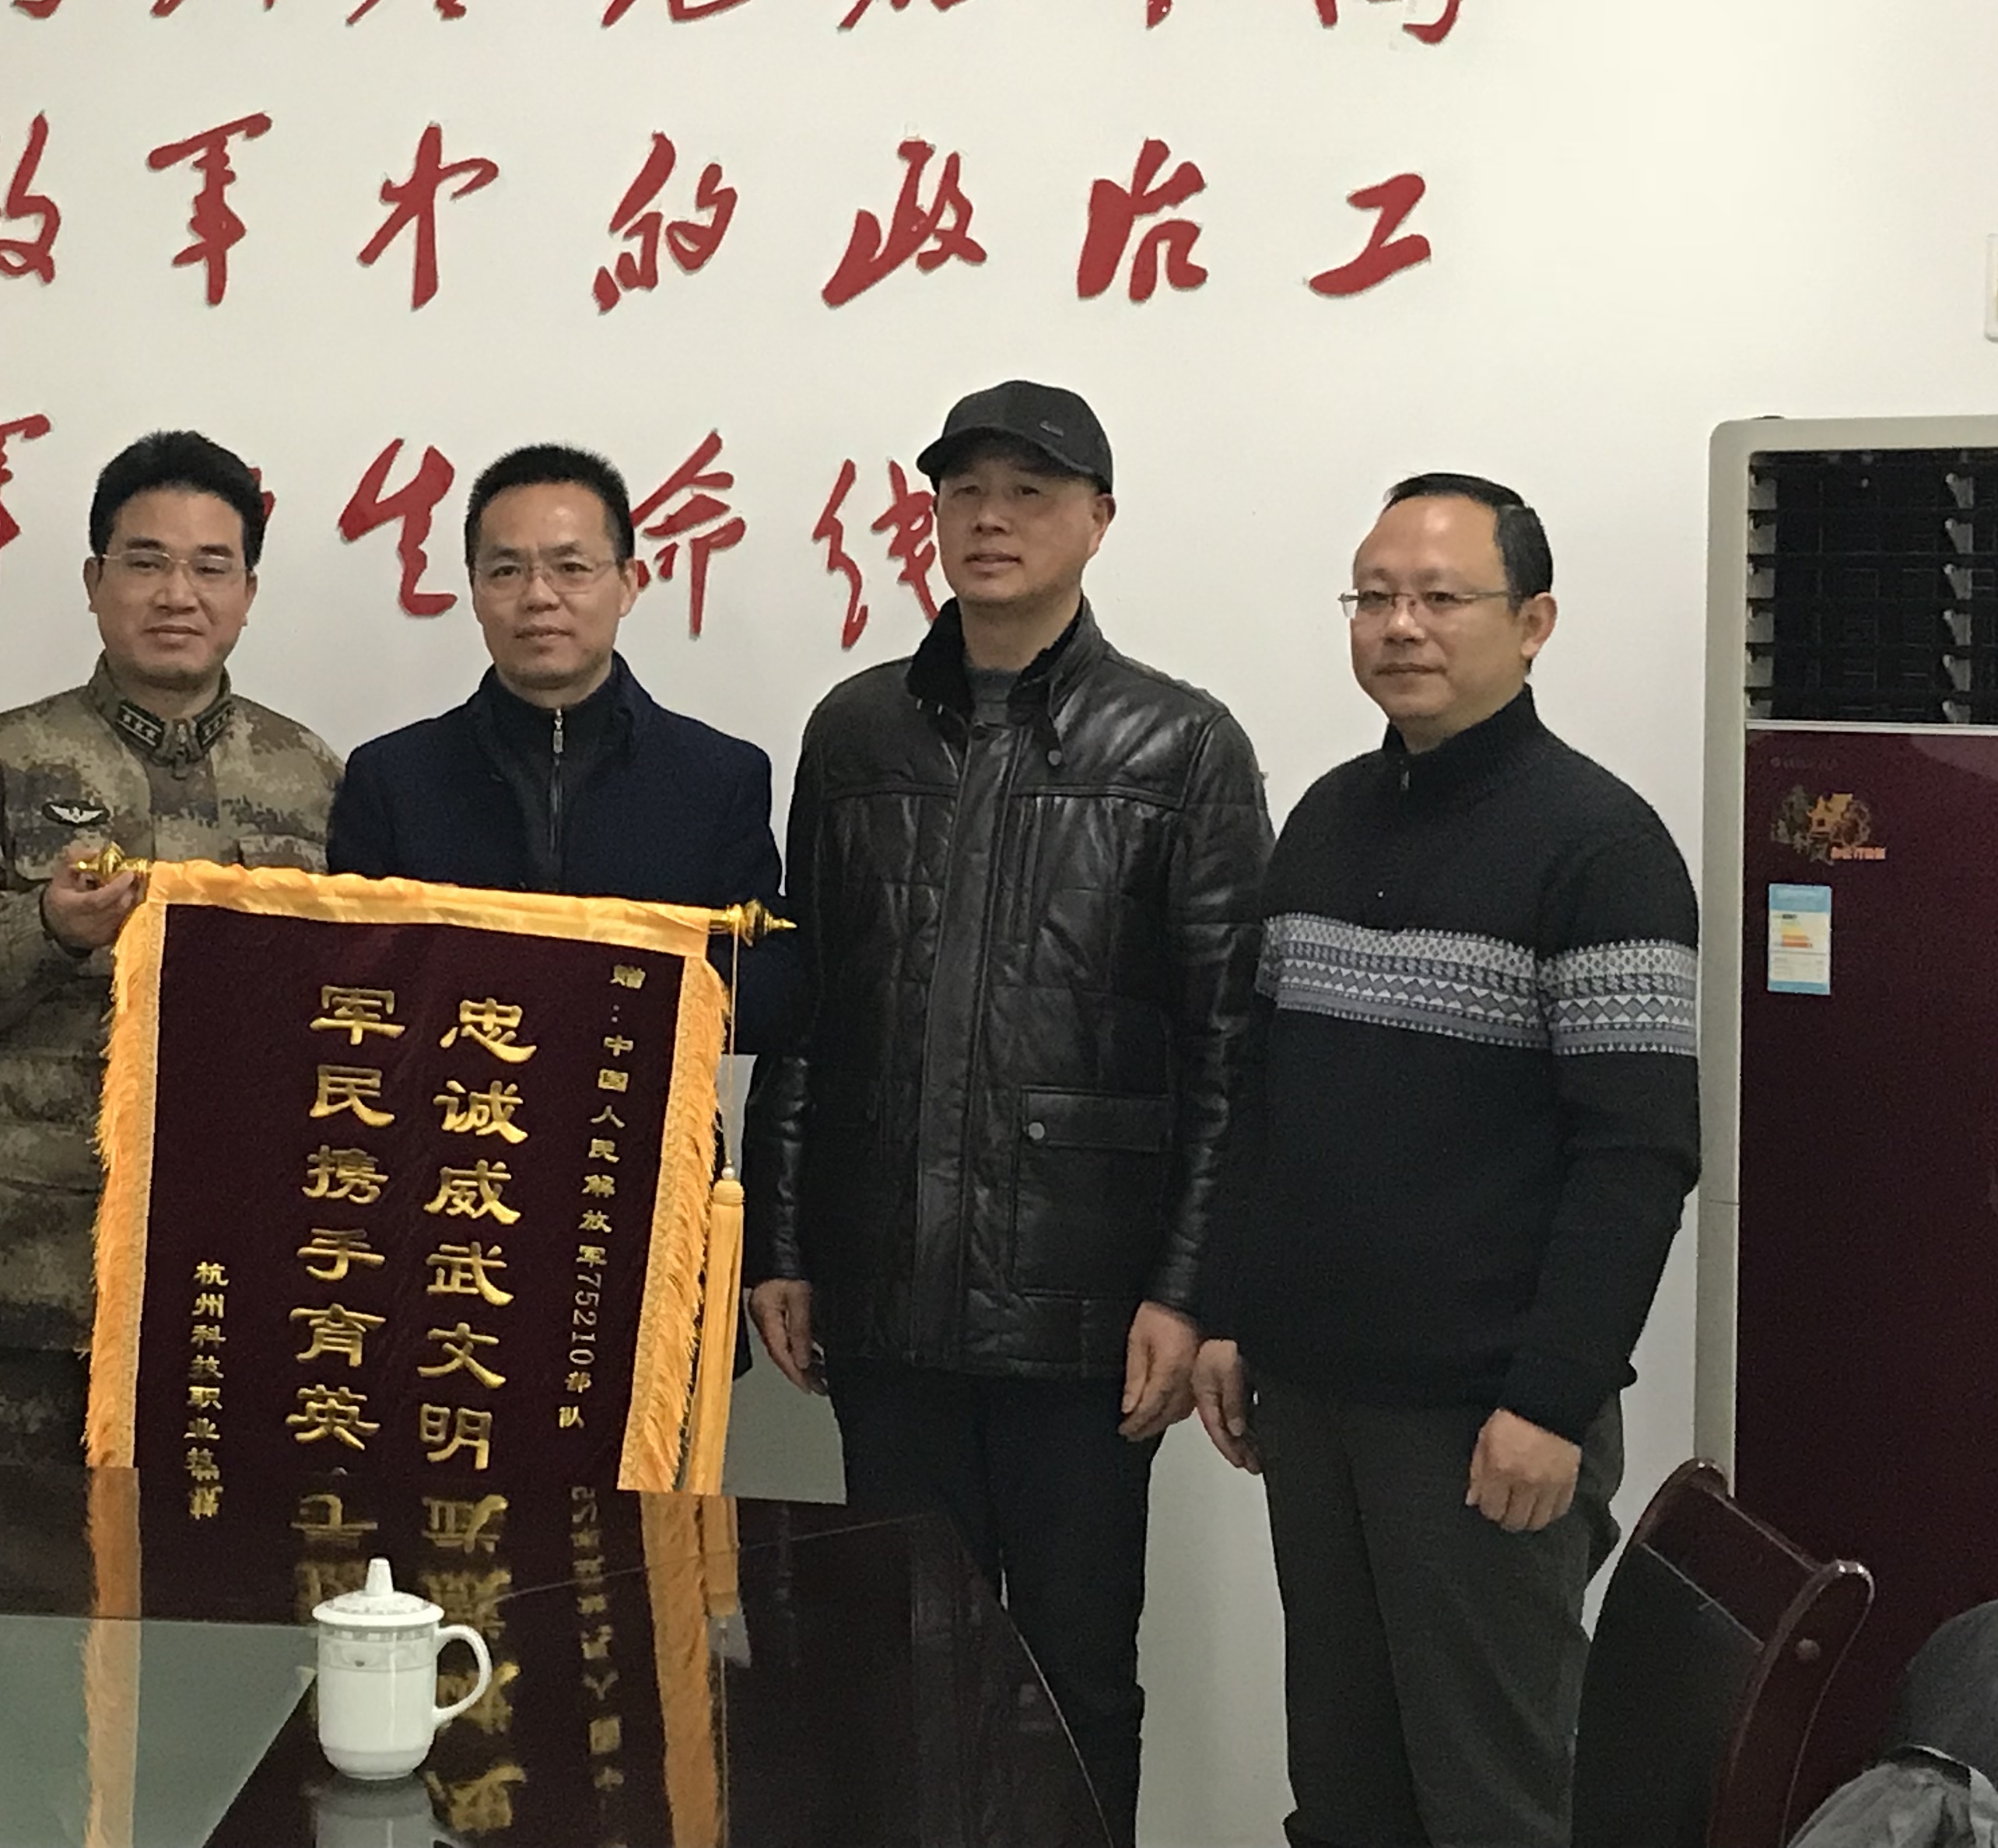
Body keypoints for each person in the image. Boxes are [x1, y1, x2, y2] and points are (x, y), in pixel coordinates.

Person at [743, 378, 1271, 1835]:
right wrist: (781, 1242)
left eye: (1028, 492)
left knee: (1072, 1673)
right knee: (889, 1664)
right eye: (963, 490)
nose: (990, 518)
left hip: (1083, 1315)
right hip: (887, 1294)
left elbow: (1227, 1050)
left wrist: (1187, 1286)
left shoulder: (1179, 746)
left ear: (1097, 520)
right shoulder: (854, 731)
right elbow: (808, 1008)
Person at [1193, 473, 1698, 1848]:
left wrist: (1549, 1400)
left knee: (1488, 1799)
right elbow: (1260, 1095)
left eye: (1437, 597)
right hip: (1313, 1401)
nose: (1398, 625)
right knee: (1342, 1789)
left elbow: (1637, 1154)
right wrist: (1232, 1311)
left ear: (1532, 622)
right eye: (1372, 598)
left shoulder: (1599, 847)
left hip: (1480, 1426)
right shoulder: (1324, 818)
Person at [0, 430, 341, 1464]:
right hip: (29, 1285)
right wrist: (42, 929)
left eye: (210, 566)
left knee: (216, 1564)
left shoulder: (311, 777)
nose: (177, 593)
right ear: (93, 580)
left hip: (239, 1284)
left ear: (248, 592)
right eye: (146, 560)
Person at [325, 441, 794, 1049]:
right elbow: (351, 978)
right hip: (449, 1100)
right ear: (474, 590)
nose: (538, 595)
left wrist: (605, 999)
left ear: (627, 583)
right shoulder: (392, 778)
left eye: (570, 568)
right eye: (506, 570)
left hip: (630, 1098)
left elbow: (768, 989)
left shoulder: (717, 777)